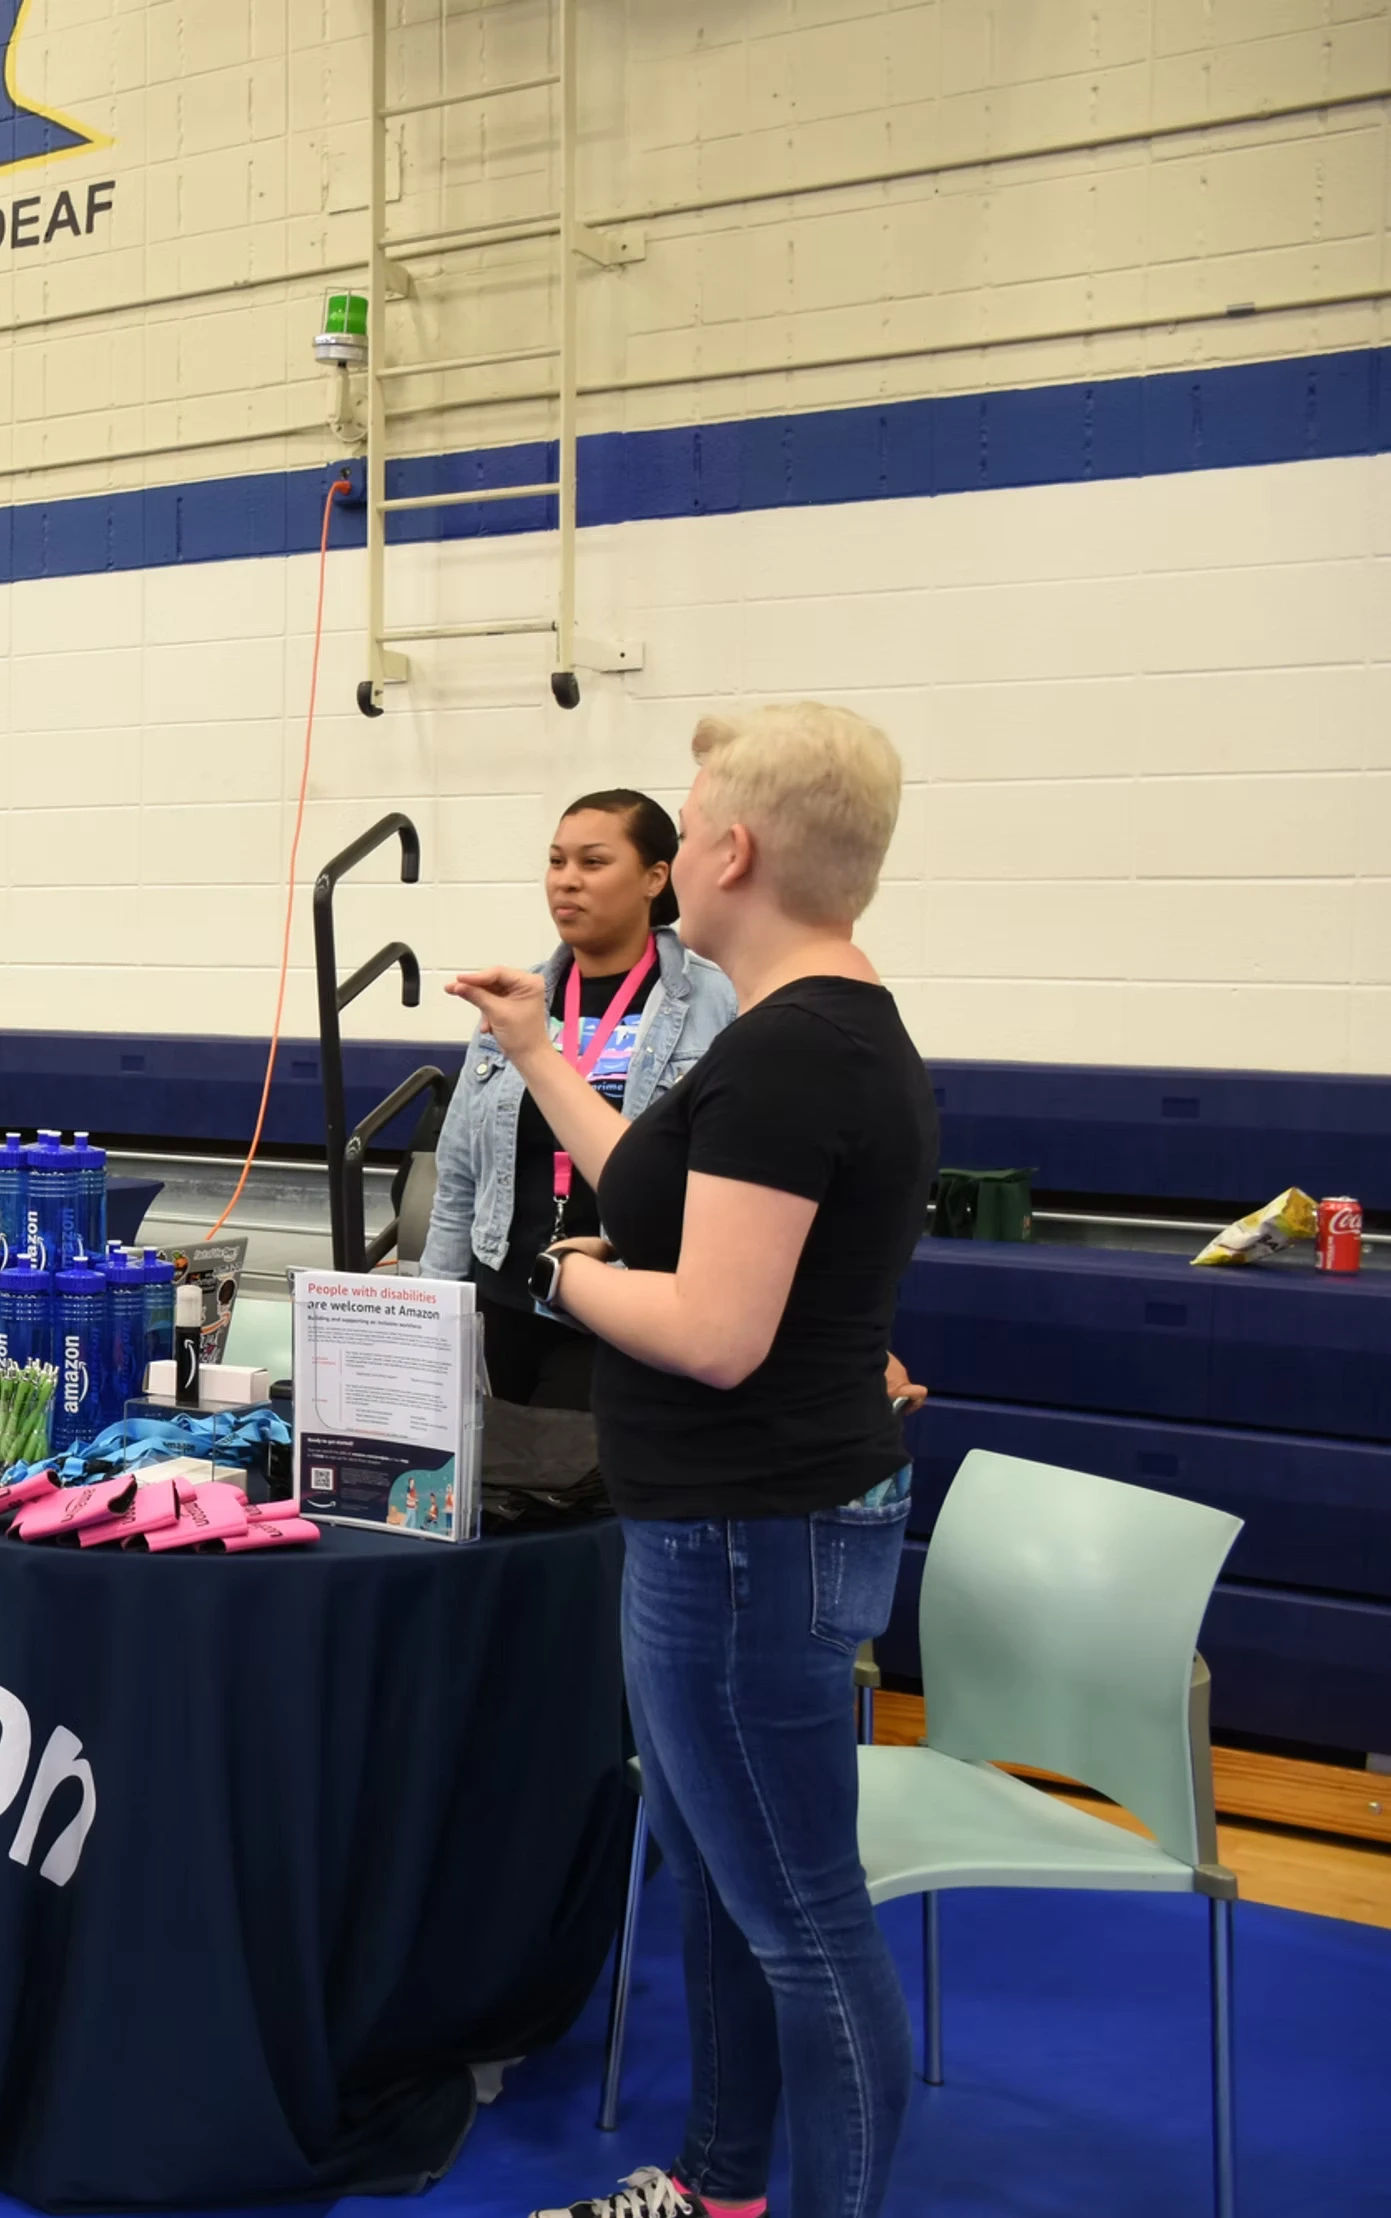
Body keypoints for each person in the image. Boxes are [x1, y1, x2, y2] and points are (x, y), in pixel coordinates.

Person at [453, 706, 938, 2218]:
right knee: (728, 1896)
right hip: (733, 1526)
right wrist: (535, 1051)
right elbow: (659, 1191)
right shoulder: (797, 1030)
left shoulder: (791, 1054)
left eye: (683, 815)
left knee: (797, 1917)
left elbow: (712, 1329)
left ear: (722, 852)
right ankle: (721, 2188)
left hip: (748, 1535)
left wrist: (562, 1276)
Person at [418, 791, 734, 1406]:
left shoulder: (716, 1005)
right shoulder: (516, 1001)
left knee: (581, 1491)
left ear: (654, 877)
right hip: (502, 1301)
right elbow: (458, 1177)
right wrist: (433, 1311)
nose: (567, 882)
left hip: (623, 1311)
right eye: (556, 862)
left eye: (592, 863)